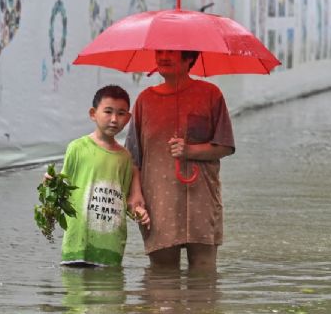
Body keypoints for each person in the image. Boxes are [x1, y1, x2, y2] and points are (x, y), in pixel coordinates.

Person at [126, 50, 235, 270]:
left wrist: (190, 150)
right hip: (158, 202)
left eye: (171, 53)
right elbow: (132, 157)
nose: (163, 57)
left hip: (202, 199)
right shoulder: (145, 101)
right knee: (162, 280)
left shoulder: (210, 95)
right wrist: (135, 195)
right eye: (160, 52)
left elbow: (225, 146)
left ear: (189, 59)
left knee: (204, 275)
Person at [56, 85, 150, 267]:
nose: (114, 119)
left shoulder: (125, 157)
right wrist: (50, 185)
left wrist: (139, 212)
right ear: (93, 114)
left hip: (111, 247)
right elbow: (62, 192)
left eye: (121, 113)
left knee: (112, 293)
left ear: (128, 118)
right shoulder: (77, 148)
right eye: (108, 112)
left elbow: (124, 200)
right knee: (76, 293)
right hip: (78, 245)